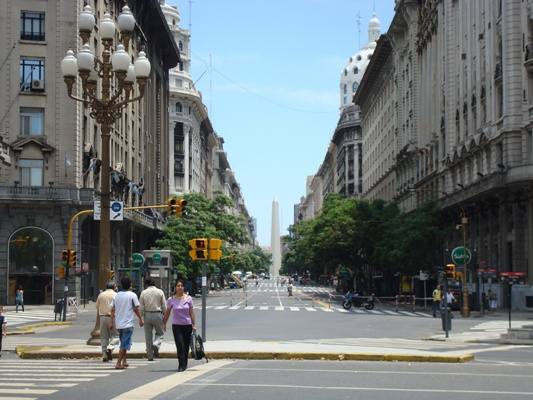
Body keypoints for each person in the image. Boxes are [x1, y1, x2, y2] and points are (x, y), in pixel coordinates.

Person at [111, 277, 143, 370]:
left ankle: (124, 361)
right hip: (128, 324)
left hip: (119, 324)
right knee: (124, 344)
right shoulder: (132, 295)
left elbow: (112, 309)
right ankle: (118, 363)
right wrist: (141, 319)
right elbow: (136, 309)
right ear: (130, 285)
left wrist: (111, 322)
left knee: (123, 342)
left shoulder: (116, 295)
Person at [163, 280, 196, 372]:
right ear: (175, 288)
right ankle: (181, 365)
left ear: (183, 287)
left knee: (186, 346)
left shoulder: (188, 298)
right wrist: (164, 323)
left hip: (187, 325)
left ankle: (184, 363)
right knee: (180, 345)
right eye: (178, 286)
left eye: (181, 285)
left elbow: (191, 312)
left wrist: (194, 324)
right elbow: (167, 313)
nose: (180, 287)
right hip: (177, 326)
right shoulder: (171, 299)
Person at [140, 278, 166, 361]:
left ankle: (150, 356)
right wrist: (165, 315)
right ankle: (156, 343)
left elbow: (141, 307)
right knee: (160, 333)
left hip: (147, 315)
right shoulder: (160, 292)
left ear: (146, 284)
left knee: (148, 336)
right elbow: (164, 305)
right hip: (157, 314)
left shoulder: (143, 292)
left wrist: (141, 317)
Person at [95, 281, 118, 362]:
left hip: (103, 318)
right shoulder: (116, 295)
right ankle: (110, 348)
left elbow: (97, 306)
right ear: (114, 287)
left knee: (104, 337)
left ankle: (104, 355)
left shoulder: (101, 295)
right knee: (115, 336)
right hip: (113, 318)